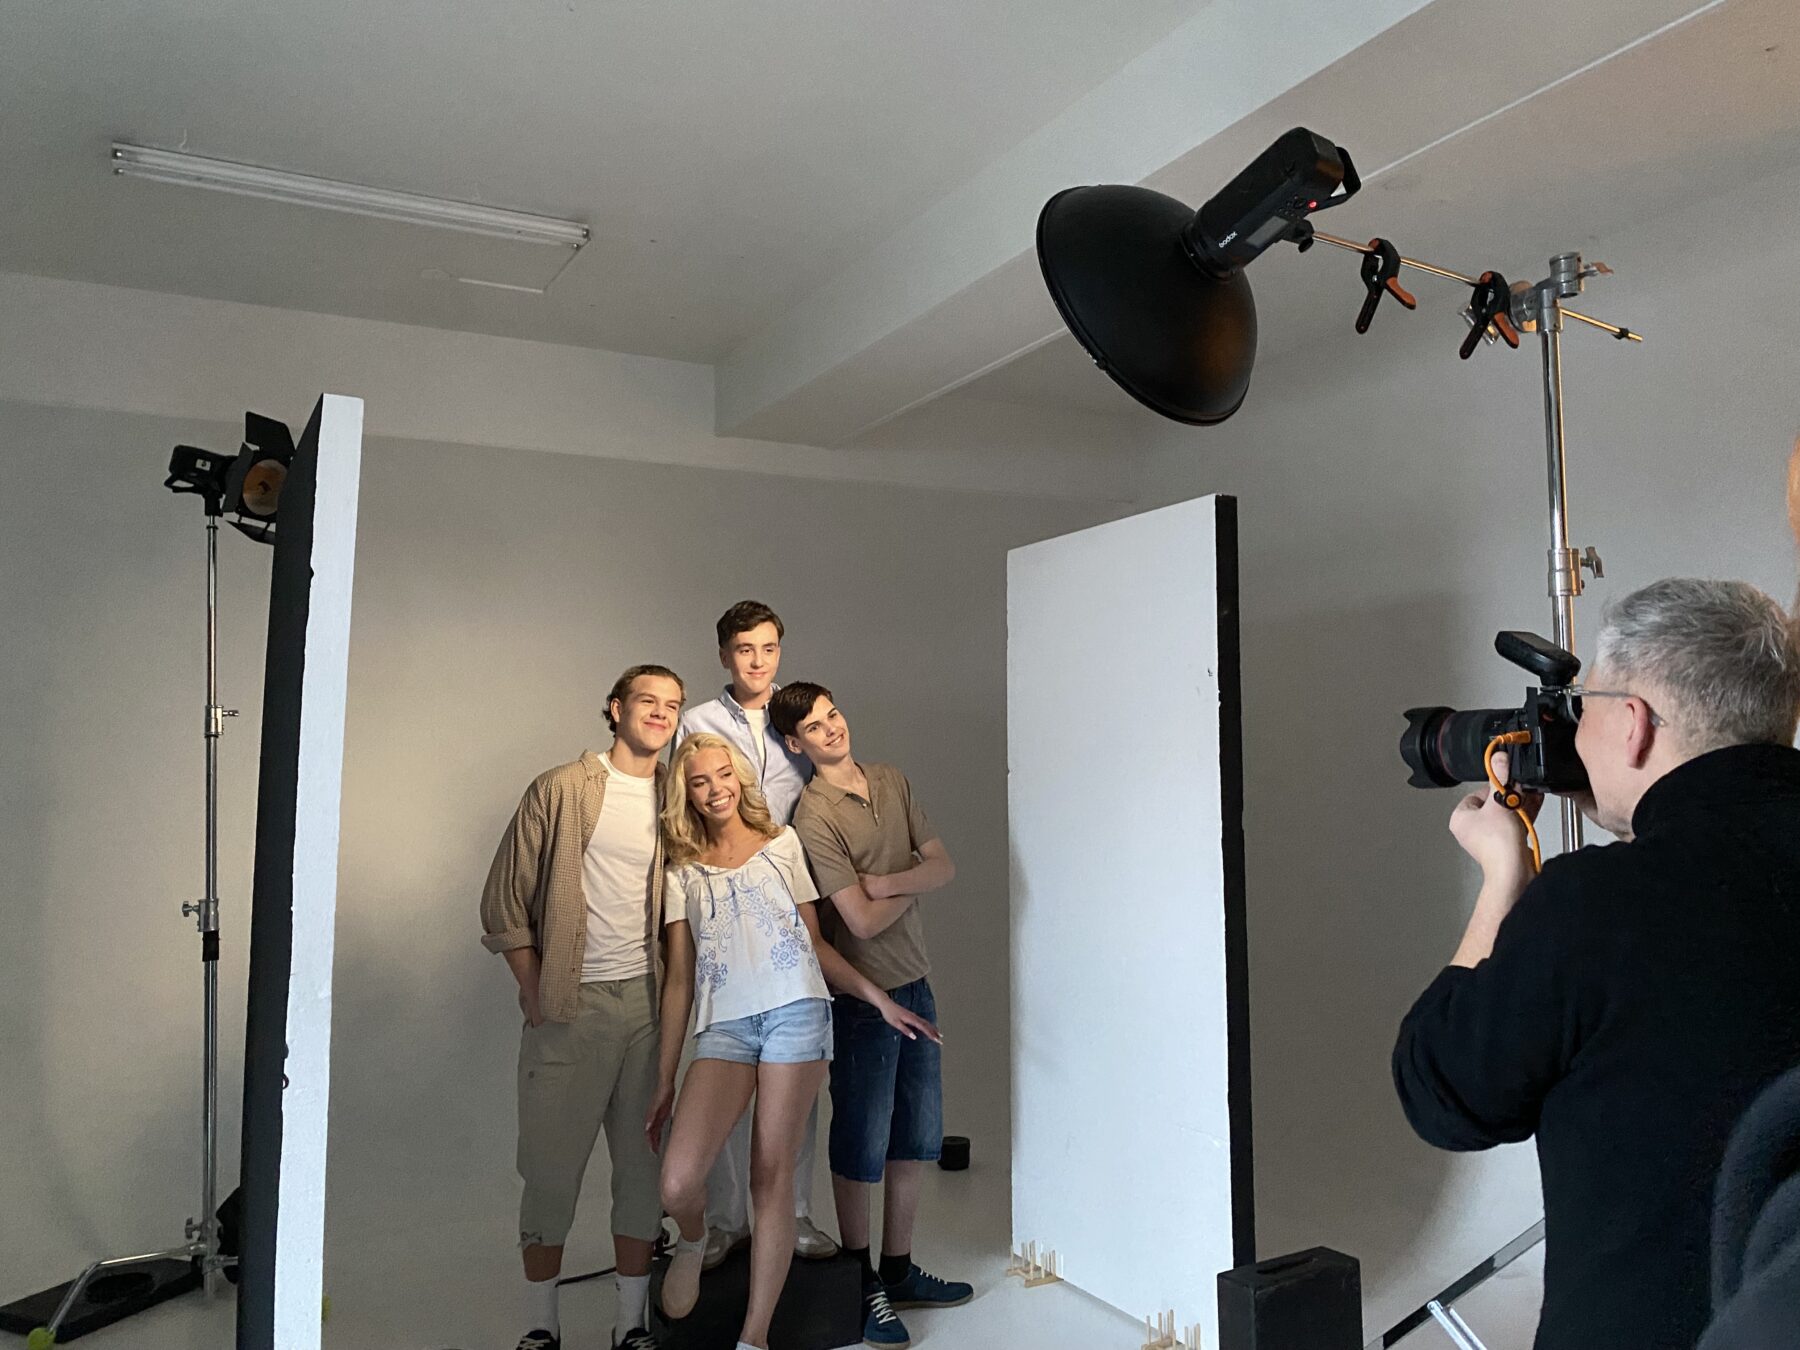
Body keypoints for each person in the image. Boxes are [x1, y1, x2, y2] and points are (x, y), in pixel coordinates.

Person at [1392, 579, 1800, 1350]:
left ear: (1632, 724)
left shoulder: (1595, 903)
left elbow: (1442, 1091)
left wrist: (1505, 877)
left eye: (1590, 709)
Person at [646, 734, 938, 1350]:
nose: (715, 788)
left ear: (739, 777)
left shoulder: (782, 845)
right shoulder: (680, 871)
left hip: (796, 1015)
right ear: (686, 794)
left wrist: (877, 997)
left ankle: (754, 1339)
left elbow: (816, 944)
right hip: (724, 1026)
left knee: (769, 1176)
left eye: (723, 774)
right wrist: (666, 1078)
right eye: (699, 781)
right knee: (678, 1182)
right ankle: (695, 1240)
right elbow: (679, 980)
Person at [480, 664, 686, 1350]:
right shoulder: (561, 788)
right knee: (549, 1173)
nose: (660, 713)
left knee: (642, 1173)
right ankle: (543, 1325)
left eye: (672, 705)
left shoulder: (675, 796)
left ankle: (631, 1325)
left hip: (648, 1010)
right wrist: (534, 987)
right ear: (615, 708)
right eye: (647, 700)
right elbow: (503, 900)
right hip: (572, 1008)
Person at [770, 682, 974, 1349]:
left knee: (916, 1135)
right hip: (863, 1001)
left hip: (917, 983)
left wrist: (886, 883)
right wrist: (912, 881)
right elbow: (855, 921)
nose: (831, 728)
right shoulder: (813, 816)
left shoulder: (890, 780)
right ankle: (863, 1282)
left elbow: (945, 866)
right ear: (795, 743)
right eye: (813, 726)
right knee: (862, 1141)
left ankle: (900, 1268)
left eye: (832, 714)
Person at [676, 601, 834, 1267]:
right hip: (722, 901)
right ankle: (723, 1221)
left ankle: (793, 1214)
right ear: (724, 656)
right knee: (725, 1066)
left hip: (786, 893)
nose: (758, 661)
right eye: (745, 649)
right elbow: (682, 804)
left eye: (769, 648)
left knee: (793, 1079)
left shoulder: (795, 718)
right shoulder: (697, 724)